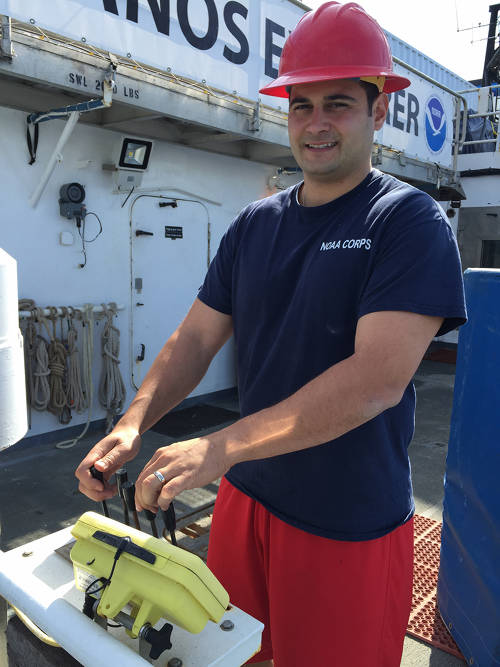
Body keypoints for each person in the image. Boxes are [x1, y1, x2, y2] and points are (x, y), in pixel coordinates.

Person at [76, 3, 467, 665]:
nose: (315, 124)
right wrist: (134, 422)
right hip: (245, 502)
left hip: (348, 523)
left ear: (378, 112)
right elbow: (196, 339)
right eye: (300, 104)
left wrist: (220, 445)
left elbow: (376, 381)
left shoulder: (408, 222)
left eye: (337, 104)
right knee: (232, 657)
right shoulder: (255, 224)